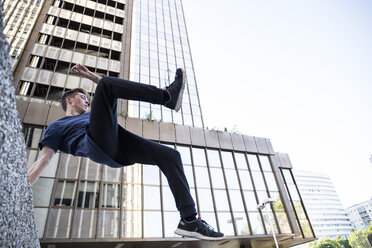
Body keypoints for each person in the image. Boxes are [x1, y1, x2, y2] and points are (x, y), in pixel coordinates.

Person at [28, 64, 224, 240]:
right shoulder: (57, 125)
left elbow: (108, 92)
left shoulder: (91, 117)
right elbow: (44, 159)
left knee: (170, 156)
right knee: (105, 85)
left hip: (118, 145)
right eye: (82, 97)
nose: (87, 101)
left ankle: (189, 219)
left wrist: (91, 76)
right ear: (68, 100)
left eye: (87, 99)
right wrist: (25, 187)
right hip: (97, 145)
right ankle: (167, 97)